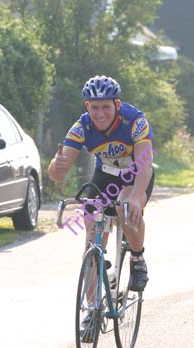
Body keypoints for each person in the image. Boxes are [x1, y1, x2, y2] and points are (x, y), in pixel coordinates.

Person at [48, 75, 155, 292]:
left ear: (117, 104)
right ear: (87, 106)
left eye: (105, 107)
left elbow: (145, 163)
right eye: (94, 108)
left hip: (135, 173)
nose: (100, 114)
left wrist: (136, 196)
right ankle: (91, 309)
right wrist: (56, 166)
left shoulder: (135, 120)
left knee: (125, 206)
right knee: (91, 233)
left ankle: (137, 259)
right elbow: (57, 175)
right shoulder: (82, 126)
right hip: (105, 174)